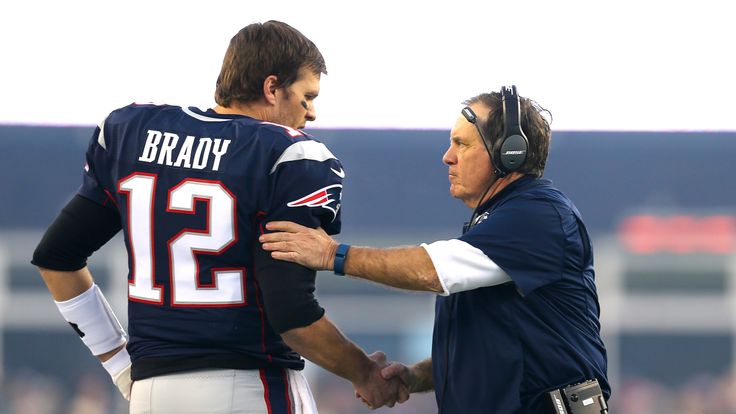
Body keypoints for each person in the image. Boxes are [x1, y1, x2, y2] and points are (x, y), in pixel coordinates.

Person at [31, 20, 406, 414]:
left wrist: (120, 364)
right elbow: (291, 314)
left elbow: (56, 258)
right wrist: (363, 372)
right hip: (249, 385)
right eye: (307, 96)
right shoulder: (289, 155)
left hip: (150, 393)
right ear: (272, 87)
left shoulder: (131, 132)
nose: (311, 112)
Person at [260, 86, 611, 413]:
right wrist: (416, 376)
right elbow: (487, 344)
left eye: (462, 144)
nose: (447, 157)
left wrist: (332, 255)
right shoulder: (497, 223)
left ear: (510, 153)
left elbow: (429, 270)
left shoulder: (537, 214)